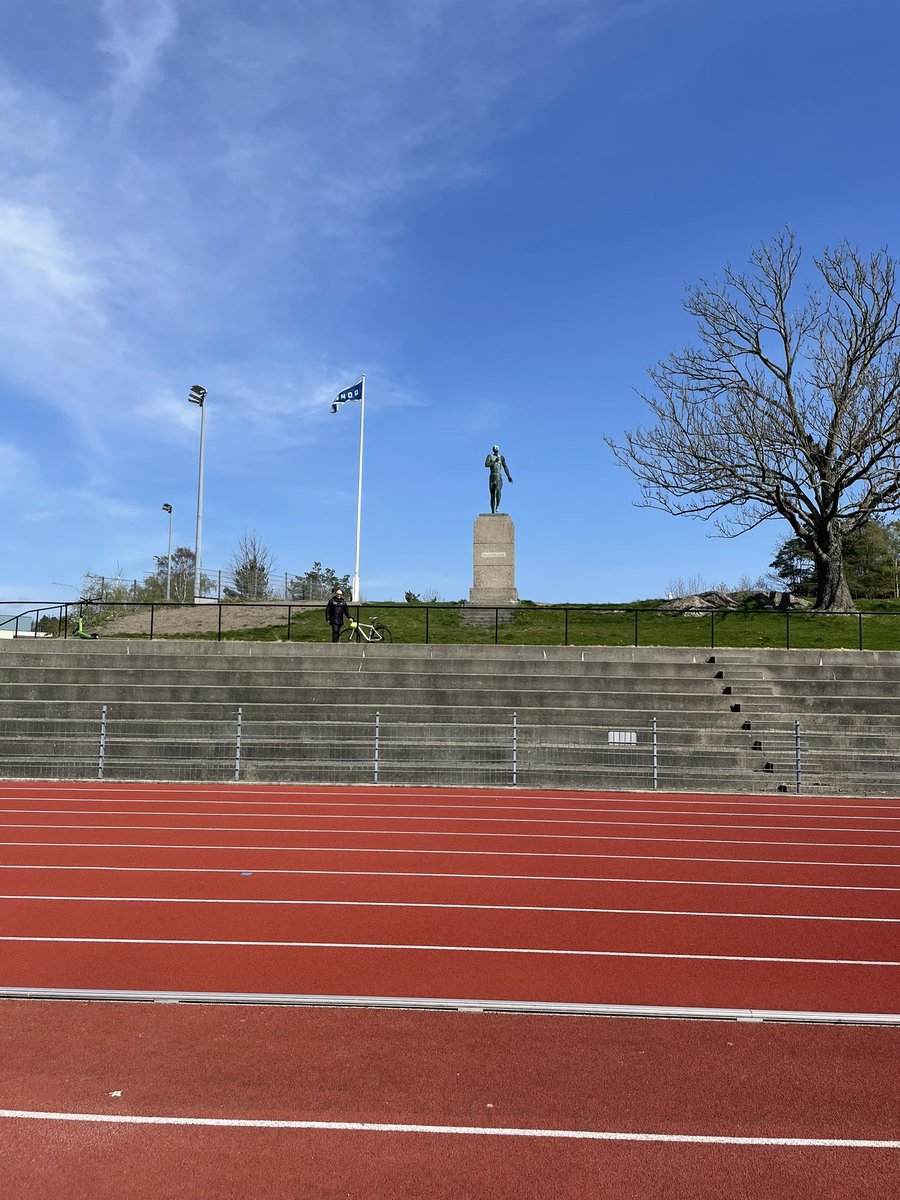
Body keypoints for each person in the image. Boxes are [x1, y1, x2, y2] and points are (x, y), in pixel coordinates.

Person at [485, 444, 513, 513]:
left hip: (498, 476)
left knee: (498, 490)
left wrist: (508, 476)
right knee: (492, 495)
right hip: (492, 476)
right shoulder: (490, 456)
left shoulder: (501, 457)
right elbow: (486, 464)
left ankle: (497, 506)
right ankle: (493, 511)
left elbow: (505, 467)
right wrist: (494, 461)